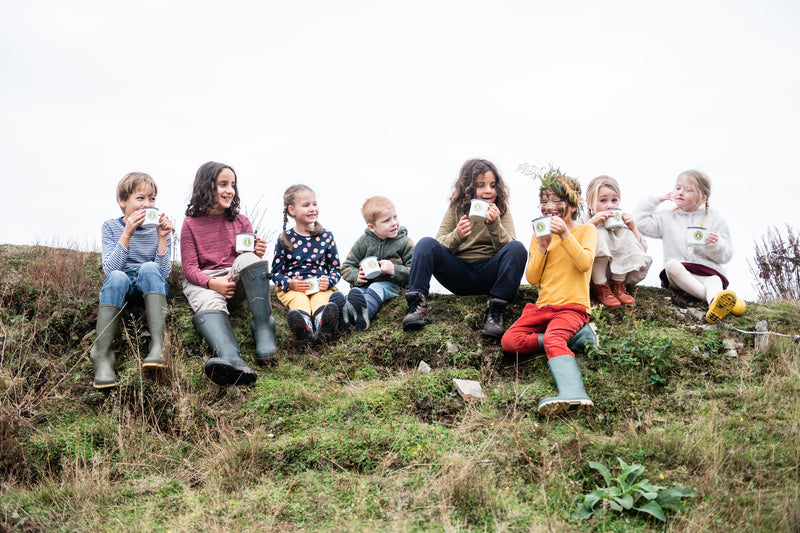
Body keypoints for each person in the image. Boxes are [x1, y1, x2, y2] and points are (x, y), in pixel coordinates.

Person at [501, 169, 597, 416]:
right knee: (510, 341)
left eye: (556, 201)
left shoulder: (585, 231)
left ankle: (575, 394)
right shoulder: (539, 237)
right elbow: (532, 278)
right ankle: (576, 338)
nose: (549, 206)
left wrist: (564, 233)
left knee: (553, 339)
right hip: (544, 308)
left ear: (573, 205)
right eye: (544, 201)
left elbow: (585, 263)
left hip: (572, 307)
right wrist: (542, 246)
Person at [402, 159, 527, 338]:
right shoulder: (456, 208)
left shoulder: (501, 210)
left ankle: (495, 312)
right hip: (459, 273)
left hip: (489, 274)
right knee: (425, 243)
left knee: (518, 248)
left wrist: (495, 225)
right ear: (468, 187)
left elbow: (512, 251)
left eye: (492, 185)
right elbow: (438, 243)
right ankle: (416, 305)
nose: (488, 191)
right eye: (481, 185)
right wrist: (457, 235)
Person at [181, 161, 277, 386]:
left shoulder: (242, 221)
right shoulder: (190, 224)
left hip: (235, 279)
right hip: (207, 281)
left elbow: (245, 260)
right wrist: (213, 283)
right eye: (223, 184)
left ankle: (264, 328)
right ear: (206, 186)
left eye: (232, 185)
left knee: (250, 259)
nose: (230, 190)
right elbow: (189, 269)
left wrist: (255, 253)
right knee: (208, 301)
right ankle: (231, 359)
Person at [90, 172, 174, 389]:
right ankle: (102, 355)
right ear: (122, 201)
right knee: (117, 276)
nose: (147, 204)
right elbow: (110, 270)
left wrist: (163, 237)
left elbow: (164, 274)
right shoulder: (110, 227)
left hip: (150, 283)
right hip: (123, 285)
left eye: (152, 199)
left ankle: (159, 345)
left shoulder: (160, 228)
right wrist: (127, 233)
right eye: (140, 198)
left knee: (149, 267)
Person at [634, 169, 746, 323]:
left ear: (702, 198)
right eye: (678, 188)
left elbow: (726, 255)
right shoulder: (667, 217)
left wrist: (715, 244)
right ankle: (716, 301)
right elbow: (640, 222)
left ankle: (715, 302)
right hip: (679, 276)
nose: (680, 192)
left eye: (688, 190)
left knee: (714, 279)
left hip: (706, 272)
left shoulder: (715, 219)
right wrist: (656, 200)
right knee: (672, 265)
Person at [271, 184, 342, 345]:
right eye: (306, 205)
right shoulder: (285, 238)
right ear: (292, 210)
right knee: (299, 301)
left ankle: (323, 327)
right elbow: (275, 273)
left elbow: (336, 269)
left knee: (321, 300)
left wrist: (328, 281)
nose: (312, 209)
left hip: (320, 286)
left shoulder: (326, 236)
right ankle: (305, 331)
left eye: (314, 204)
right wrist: (290, 283)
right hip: (295, 288)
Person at [337, 196, 414, 331]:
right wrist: (356, 276)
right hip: (366, 285)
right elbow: (346, 266)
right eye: (386, 221)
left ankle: (365, 314)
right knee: (358, 292)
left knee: (377, 287)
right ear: (372, 227)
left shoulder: (405, 242)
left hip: (396, 287)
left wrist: (393, 269)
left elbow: (414, 271)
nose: (394, 223)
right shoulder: (364, 241)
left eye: (395, 217)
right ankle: (345, 316)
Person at [579, 175, 652, 307]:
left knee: (625, 234)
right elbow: (574, 243)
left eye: (614, 200)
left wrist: (633, 228)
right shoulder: (584, 220)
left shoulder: (621, 222)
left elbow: (642, 248)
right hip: (592, 273)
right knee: (595, 233)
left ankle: (619, 284)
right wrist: (591, 224)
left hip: (614, 272)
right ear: (590, 203)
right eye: (603, 200)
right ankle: (600, 286)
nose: (609, 205)